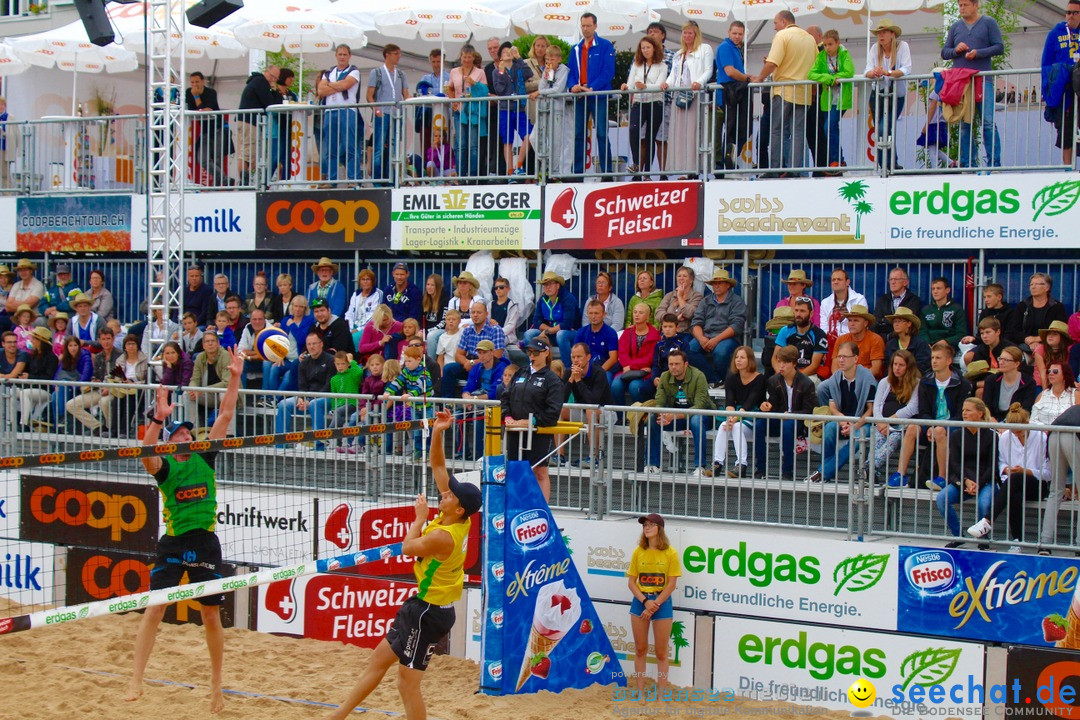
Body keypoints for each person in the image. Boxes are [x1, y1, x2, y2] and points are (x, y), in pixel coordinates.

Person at [325, 409, 479, 720]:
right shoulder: (454, 515)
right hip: (420, 606)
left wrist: (419, 518)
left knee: (407, 686)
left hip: (430, 613)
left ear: (459, 507)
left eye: (451, 494)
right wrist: (438, 430)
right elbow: (437, 464)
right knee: (378, 661)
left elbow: (408, 548)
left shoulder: (445, 536)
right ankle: (337, 715)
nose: (445, 492)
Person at [127, 348, 244, 714]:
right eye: (176, 434)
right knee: (154, 610)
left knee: (211, 615)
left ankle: (216, 688)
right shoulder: (163, 467)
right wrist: (158, 421)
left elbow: (225, 414)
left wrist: (236, 376)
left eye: (184, 434)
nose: (181, 438)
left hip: (205, 543)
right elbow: (145, 453)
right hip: (174, 542)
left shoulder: (204, 455)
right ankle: (135, 680)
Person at [889, 342, 972, 488]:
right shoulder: (926, 382)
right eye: (933, 357)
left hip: (953, 427)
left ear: (949, 361)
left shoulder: (962, 384)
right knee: (912, 427)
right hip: (931, 426)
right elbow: (924, 411)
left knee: (940, 431)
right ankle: (900, 475)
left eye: (938, 358)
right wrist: (929, 426)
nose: (934, 361)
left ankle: (942, 477)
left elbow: (961, 415)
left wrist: (938, 427)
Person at [967, 402, 1050, 546]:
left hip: (1037, 485)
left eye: (1020, 431)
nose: (1017, 435)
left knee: (1016, 478)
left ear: (1027, 423)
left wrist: (1025, 471)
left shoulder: (1041, 437)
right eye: (1014, 432)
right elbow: (1001, 463)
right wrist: (1006, 469)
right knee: (1014, 494)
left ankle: (987, 520)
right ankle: (1017, 541)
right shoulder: (1005, 438)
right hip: (1012, 484)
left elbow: (1047, 473)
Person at [752, 12, 817, 175]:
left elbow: (772, 63)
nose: (774, 27)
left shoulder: (782, 35)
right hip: (803, 91)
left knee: (777, 130)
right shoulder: (809, 38)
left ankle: (776, 169)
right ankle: (794, 169)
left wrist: (760, 77)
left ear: (783, 21)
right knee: (797, 132)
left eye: (775, 23)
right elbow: (817, 65)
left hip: (783, 89)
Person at [943, 0, 1004, 168]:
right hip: (962, 82)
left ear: (975, 5)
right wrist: (956, 50)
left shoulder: (988, 22)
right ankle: (966, 163)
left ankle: (994, 164)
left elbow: (999, 47)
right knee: (965, 123)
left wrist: (979, 53)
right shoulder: (955, 26)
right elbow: (944, 52)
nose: (962, 8)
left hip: (983, 80)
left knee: (988, 123)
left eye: (965, 5)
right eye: (960, 5)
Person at [502, 337, 564, 499]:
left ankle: (542, 510)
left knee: (539, 470)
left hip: (538, 432)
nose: (532, 356)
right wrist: (507, 416)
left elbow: (553, 411)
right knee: (515, 470)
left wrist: (532, 421)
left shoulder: (552, 379)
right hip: (516, 430)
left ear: (546, 353)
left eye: (536, 352)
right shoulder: (520, 373)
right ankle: (517, 507)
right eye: (530, 352)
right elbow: (505, 398)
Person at [627, 513, 680, 694]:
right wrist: (645, 601)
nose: (646, 528)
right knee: (640, 649)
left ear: (660, 529)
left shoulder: (670, 553)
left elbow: (672, 584)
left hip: (661, 603)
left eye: (651, 525)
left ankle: (661, 695)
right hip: (641, 601)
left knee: (661, 653)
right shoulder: (638, 551)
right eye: (645, 525)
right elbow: (631, 582)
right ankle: (640, 692)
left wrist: (654, 604)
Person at [811, 341, 877, 483]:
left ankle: (823, 472)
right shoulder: (835, 377)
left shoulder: (867, 378)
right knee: (829, 429)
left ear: (855, 359)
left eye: (845, 357)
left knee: (857, 439)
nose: (841, 360)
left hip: (863, 421)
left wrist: (854, 426)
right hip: (844, 420)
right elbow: (832, 407)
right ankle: (825, 473)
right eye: (839, 356)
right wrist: (842, 420)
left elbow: (871, 410)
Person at [936, 397, 998, 541]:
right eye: (963, 410)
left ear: (980, 414)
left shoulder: (991, 435)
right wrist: (966, 481)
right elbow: (955, 463)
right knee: (942, 498)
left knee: (984, 503)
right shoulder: (957, 435)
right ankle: (957, 535)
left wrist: (979, 484)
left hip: (985, 481)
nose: (964, 413)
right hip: (964, 480)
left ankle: (982, 537)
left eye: (968, 410)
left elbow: (992, 465)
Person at [645, 349, 714, 477]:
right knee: (652, 419)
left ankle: (700, 466)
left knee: (696, 420)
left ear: (686, 364)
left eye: (677, 364)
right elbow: (659, 402)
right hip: (677, 419)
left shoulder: (698, 376)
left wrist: (674, 416)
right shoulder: (665, 377)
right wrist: (662, 416)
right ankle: (652, 464)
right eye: (671, 364)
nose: (673, 367)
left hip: (702, 417)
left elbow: (700, 406)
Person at [755, 345, 818, 478]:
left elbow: (809, 411)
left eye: (785, 362)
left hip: (798, 424)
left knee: (788, 424)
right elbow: (774, 406)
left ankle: (787, 471)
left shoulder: (807, 383)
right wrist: (766, 406)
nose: (781, 366)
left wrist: (790, 415)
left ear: (794, 363)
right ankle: (760, 469)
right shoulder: (773, 381)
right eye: (779, 362)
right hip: (780, 420)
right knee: (760, 424)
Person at [661, 22, 712, 179]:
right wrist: (666, 83)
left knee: (693, 132)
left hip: (694, 94)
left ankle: (693, 168)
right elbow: (673, 74)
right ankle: (680, 168)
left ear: (696, 34)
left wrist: (700, 82)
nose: (687, 36)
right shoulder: (679, 53)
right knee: (678, 133)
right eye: (685, 33)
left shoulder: (705, 49)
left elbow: (708, 70)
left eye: (690, 33)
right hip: (679, 94)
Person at [568, 13, 615, 176]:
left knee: (602, 133)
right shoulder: (575, 48)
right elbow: (571, 71)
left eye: (588, 25)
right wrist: (573, 86)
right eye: (583, 26)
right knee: (579, 134)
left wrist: (591, 87)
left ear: (595, 26)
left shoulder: (605, 45)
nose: (585, 29)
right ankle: (577, 172)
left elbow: (608, 72)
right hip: (580, 97)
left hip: (598, 96)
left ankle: (606, 171)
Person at [713, 345, 767, 478]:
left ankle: (741, 465)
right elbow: (729, 403)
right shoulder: (731, 378)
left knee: (736, 427)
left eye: (742, 357)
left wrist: (735, 419)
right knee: (723, 426)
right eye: (736, 357)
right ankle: (717, 463)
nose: (738, 360)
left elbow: (751, 401)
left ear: (750, 360)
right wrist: (730, 418)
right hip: (737, 415)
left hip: (753, 416)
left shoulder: (760, 379)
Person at [866, 19, 912, 170]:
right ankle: (888, 163)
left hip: (896, 95)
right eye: (879, 33)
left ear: (892, 34)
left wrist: (888, 72)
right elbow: (867, 70)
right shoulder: (875, 49)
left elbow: (906, 69)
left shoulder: (902, 46)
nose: (881, 36)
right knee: (882, 128)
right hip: (878, 94)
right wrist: (874, 72)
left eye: (884, 32)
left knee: (883, 127)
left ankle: (887, 163)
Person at [275, 333, 335, 449]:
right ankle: (281, 444)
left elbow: (328, 386)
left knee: (314, 404)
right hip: (308, 397)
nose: (311, 347)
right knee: (283, 404)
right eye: (309, 344)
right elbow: (302, 385)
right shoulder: (303, 363)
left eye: (314, 344)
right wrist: (302, 399)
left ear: (321, 344)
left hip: (327, 397)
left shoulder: (330, 361)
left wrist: (310, 400)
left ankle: (319, 445)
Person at [690, 268, 746, 387]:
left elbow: (736, 326)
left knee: (721, 352)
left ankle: (722, 379)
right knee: (688, 349)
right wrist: (701, 339)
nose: (716, 286)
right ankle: (714, 379)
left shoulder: (737, 302)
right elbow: (696, 323)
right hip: (705, 336)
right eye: (714, 283)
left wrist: (716, 339)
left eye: (719, 283)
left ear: (728, 285)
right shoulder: (705, 301)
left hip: (728, 338)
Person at [1041, 0, 1080, 165]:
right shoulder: (1055, 33)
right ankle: (1068, 171)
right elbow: (1046, 63)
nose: (1070, 16)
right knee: (1066, 131)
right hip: (1064, 91)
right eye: (1068, 12)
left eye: (1075, 13)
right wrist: (1046, 91)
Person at [808, 30, 854, 170]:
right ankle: (838, 159)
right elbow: (811, 73)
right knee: (830, 128)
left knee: (829, 126)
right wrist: (830, 79)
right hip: (827, 99)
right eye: (825, 44)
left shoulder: (844, 54)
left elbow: (849, 72)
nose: (827, 48)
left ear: (837, 43)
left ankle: (836, 160)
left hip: (841, 98)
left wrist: (835, 78)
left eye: (830, 44)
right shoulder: (821, 56)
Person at [561, 342, 613, 467]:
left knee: (591, 410)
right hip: (584, 411)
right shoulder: (569, 373)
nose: (575, 360)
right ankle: (560, 456)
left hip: (607, 412)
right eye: (573, 357)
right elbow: (560, 399)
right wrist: (571, 380)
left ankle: (594, 457)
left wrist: (578, 381)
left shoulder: (598, 372)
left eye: (579, 357)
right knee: (560, 410)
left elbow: (593, 401)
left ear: (588, 357)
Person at [872, 349, 921, 479]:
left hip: (901, 426)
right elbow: (877, 406)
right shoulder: (884, 382)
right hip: (882, 424)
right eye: (895, 364)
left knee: (894, 439)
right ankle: (872, 472)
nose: (897, 368)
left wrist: (890, 421)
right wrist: (881, 422)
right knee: (877, 438)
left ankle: (869, 468)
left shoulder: (916, 383)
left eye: (901, 365)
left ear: (908, 367)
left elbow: (912, 408)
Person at [317, 44, 362, 184]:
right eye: (340, 54)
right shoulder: (328, 73)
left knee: (350, 146)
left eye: (345, 54)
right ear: (336, 55)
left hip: (347, 111)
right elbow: (321, 91)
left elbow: (345, 85)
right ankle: (332, 180)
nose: (342, 57)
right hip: (331, 111)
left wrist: (329, 85)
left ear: (349, 56)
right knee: (330, 148)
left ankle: (353, 178)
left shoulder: (354, 71)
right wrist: (337, 85)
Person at [623, 36, 666, 177]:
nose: (646, 50)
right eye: (643, 48)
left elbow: (660, 85)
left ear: (654, 48)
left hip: (655, 103)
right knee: (633, 130)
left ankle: (647, 172)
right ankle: (636, 163)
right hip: (638, 102)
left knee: (650, 137)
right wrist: (626, 87)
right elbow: (630, 84)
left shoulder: (662, 66)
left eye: (648, 47)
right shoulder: (637, 65)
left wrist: (645, 86)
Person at [444, 300, 506, 399]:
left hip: (490, 365)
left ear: (486, 314)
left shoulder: (496, 330)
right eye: (473, 312)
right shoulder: (467, 330)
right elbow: (458, 355)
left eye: (479, 312)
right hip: (470, 364)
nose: (475, 315)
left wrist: (473, 363)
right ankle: (448, 404)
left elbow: (497, 355)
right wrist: (466, 363)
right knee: (448, 369)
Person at [367, 44, 411, 182]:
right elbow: (369, 95)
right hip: (383, 114)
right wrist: (376, 109)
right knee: (379, 147)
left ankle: (390, 178)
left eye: (399, 53)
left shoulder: (401, 74)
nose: (399, 56)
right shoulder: (377, 72)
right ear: (387, 55)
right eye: (396, 53)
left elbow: (406, 94)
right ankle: (378, 180)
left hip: (396, 115)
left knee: (393, 147)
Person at [66, 327, 121, 434]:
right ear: (99, 341)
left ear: (113, 339)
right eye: (103, 339)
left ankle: (112, 430)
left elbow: (122, 376)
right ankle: (97, 427)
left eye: (108, 338)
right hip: (99, 390)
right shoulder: (99, 356)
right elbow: (95, 375)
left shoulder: (120, 354)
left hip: (115, 390)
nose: (106, 342)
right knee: (71, 405)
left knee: (104, 402)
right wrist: (94, 381)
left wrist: (110, 388)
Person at [492, 42, 534, 176]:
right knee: (507, 141)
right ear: (500, 57)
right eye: (504, 52)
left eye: (509, 50)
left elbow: (529, 73)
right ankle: (510, 172)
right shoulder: (496, 71)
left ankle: (519, 165)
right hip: (505, 108)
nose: (507, 53)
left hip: (519, 107)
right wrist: (502, 73)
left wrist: (519, 57)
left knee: (529, 136)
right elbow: (499, 90)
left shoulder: (518, 67)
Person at [447, 46, 489, 178]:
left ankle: (472, 176)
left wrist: (475, 84)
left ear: (473, 57)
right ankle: (461, 175)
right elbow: (450, 88)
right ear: (461, 57)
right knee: (461, 145)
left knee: (473, 146)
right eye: (464, 57)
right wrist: (452, 101)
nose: (466, 60)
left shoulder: (480, 72)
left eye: (469, 57)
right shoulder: (454, 71)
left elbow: (485, 90)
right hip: (460, 112)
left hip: (474, 112)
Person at [715, 22, 752, 173]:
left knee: (739, 129)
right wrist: (747, 78)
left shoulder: (736, 48)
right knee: (732, 128)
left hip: (736, 92)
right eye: (735, 33)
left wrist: (745, 78)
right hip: (728, 92)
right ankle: (726, 163)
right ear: (729, 32)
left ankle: (729, 161)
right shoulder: (725, 47)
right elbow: (730, 72)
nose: (737, 36)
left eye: (740, 34)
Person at [531, 45, 572, 176]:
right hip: (544, 108)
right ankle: (547, 161)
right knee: (534, 138)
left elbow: (558, 89)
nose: (549, 62)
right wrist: (546, 75)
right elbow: (542, 86)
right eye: (547, 59)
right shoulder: (547, 71)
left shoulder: (564, 70)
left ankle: (554, 172)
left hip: (557, 109)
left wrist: (540, 92)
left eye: (552, 59)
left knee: (555, 142)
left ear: (559, 59)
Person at [235, 65, 280, 185]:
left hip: (245, 120)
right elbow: (269, 103)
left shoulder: (256, 81)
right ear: (266, 72)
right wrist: (274, 91)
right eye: (271, 76)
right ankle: (243, 182)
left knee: (247, 152)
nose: (273, 80)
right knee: (247, 153)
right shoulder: (261, 82)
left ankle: (244, 180)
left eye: (276, 78)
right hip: (249, 121)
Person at [611, 303, 661, 407]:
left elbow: (650, 358)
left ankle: (639, 418)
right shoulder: (627, 332)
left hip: (644, 373)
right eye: (635, 312)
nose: (637, 315)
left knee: (634, 387)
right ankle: (621, 417)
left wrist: (631, 366)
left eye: (641, 312)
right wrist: (628, 366)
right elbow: (622, 352)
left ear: (648, 316)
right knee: (615, 385)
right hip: (626, 371)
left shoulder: (655, 335)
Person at [185, 331, 233, 435]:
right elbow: (194, 379)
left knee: (224, 393)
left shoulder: (225, 355)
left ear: (218, 343)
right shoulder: (200, 357)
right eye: (207, 341)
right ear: (203, 345)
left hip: (227, 395)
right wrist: (194, 389)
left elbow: (227, 383)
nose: (210, 344)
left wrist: (203, 390)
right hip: (209, 395)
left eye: (212, 341)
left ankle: (229, 433)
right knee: (187, 394)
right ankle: (194, 431)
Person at [525, 271, 579, 362]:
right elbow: (536, 320)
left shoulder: (567, 298)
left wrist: (547, 331)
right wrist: (547, 331)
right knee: (528, 334)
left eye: (551, 284)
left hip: (570, 333)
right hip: (550, 333)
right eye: (545, 285)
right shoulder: (542, 299)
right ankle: (533, 366)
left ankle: (568, 368)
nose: (547, 287)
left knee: (561, 335)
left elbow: (567, 324)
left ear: (558, 286)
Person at [1008, 273, 1069, 353]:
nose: (1033, 287)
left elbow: (1061, 330)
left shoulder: (1057, 307)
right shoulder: (1023, 306)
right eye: (1031, 284)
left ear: (1047, 287)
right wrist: (1028, 340)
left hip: (1049, 344)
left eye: (1037, 284)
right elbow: (1014, 330)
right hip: (1025, 345)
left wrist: (1038, 339)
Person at [185, 70, 226, 186]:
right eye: (192, 82)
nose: (195, 85)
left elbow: (206, 110)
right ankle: (224, 178)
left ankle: (219, 184)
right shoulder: (189, 93)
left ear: (203, 81)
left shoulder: (211, 92)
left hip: (218, 128)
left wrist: (197, 97)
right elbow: (193, 110)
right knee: (202, 160)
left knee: (217, 158)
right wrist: (198, 104)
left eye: (197, 82)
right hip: (205, 131)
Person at [774, 296, 828, 380]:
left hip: (809, 375)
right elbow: (775, 358)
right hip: (785, 373)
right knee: (771, 388)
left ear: (811, 313)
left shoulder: (819, 335)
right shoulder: (785, 331)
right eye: (796, 310)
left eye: (802, 311)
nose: (798, 314)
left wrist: (794, 377)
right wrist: (781, 373)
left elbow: (814, 366)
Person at [982, 346, 1036, 421]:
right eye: (1000, 359)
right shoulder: (991, 380)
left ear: (1016, 364)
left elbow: (1026, 409)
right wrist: (993, 421)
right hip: (993, 423)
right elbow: (987, 407)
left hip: (1016, 423)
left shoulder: (1028, 382)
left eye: (1006, 360)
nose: (1001, 362)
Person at [17, 326, 57, 429]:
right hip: (31, 387)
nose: (32, 341)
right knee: (10, 391)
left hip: (44, 390)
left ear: (41, 341)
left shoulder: (52, 358)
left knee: (24, 393)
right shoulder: (33, 356)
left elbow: (48, 378)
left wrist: (29, 377)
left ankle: (24, 423)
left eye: (34, 339)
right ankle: (11, 421)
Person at [833, 305, 885, 379]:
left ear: (865, 323)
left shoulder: (875, 339)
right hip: (843, 378)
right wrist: (840, 379)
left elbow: (876, 369)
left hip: (866, 379)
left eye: (856, 320)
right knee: (822, 387)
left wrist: (855, 379)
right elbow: (835, 365)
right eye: (850, 320)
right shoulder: (841, 339)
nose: (852, 324)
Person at [575, 300, 619, 381]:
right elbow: (575, 356)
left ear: (604, 314)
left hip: (605, 369)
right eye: (590, 313)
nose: (593, 316)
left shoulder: (611, 333)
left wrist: (598, 372)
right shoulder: (581, 332)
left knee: (604, 379)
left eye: (596, 313)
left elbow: (613, 358)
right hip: (584, 368)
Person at [919, 277, 967, 349]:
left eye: (938, 288)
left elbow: (961, 333)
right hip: (929, 346)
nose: (935, 291)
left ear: (947, 290)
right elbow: (922, 331)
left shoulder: (957, 309)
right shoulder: (925, 310)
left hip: (949, 346)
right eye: (933, 289)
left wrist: (946, 341)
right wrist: (927, 343)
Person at [873, 268, 923, 337]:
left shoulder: (914, 300)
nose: (892, 282)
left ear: (905, 282)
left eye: (896, 279)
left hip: (907, 339)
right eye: (890, 279)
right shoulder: (882, 300)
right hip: (886, 339)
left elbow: (911, 323)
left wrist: (885, 320)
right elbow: (876, 322)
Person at [884, 307, 932, 376]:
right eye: (894, 321)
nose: (896, 324)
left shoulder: (920, 344)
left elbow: (923, 367)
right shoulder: (890, 344)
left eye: (899, 321)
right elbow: (887, 367)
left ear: (909, 323)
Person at [269, 68, 298, 182]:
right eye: (289, 77)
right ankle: (266, 181)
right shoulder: (274, 92)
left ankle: (286, 181)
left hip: (289, 128)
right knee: (275, 157)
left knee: (287, 157)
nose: (291, 79)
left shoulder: (292, 94)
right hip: (277, 128)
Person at [655, 266, 703, 335]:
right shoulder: (669, 295)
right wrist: (675, 319)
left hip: (685, 333)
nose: (681, 278)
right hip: (666, 332)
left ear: (691, 280)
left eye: (685, 276)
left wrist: (680, 297)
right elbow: (658, 313)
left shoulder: (697, 296)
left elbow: (689, 314)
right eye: (679, 276)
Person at [1031, 361, 1079, 425]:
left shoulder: (1076, 395)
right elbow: (1032, 420)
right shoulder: (1041, 395)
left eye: (1055, 371)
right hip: (1044, 433)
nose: (1051, 373)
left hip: (1068, 433)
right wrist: (1045, 429)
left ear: (1065, 375)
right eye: (1049, 371)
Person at [1034, 320, 1073, 388]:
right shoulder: (1040, 349)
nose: (1050, 336)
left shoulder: (1069, 351)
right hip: (1041, 385)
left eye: (1055, 334)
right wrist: (1046, 394)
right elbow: (1043, 374)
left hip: (1062, 384)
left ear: (1063, 338)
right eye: (1049, 333)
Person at [490, 277, 523, 348]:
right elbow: (486, 320)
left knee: (497, 342)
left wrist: (498, 333)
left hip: (506, 336)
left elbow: (511, 325)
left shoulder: (513, 305)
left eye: (501, 287)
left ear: (508, 289)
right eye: (496, 288)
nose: (498, 289)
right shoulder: (490, 304)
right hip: (491, 334)